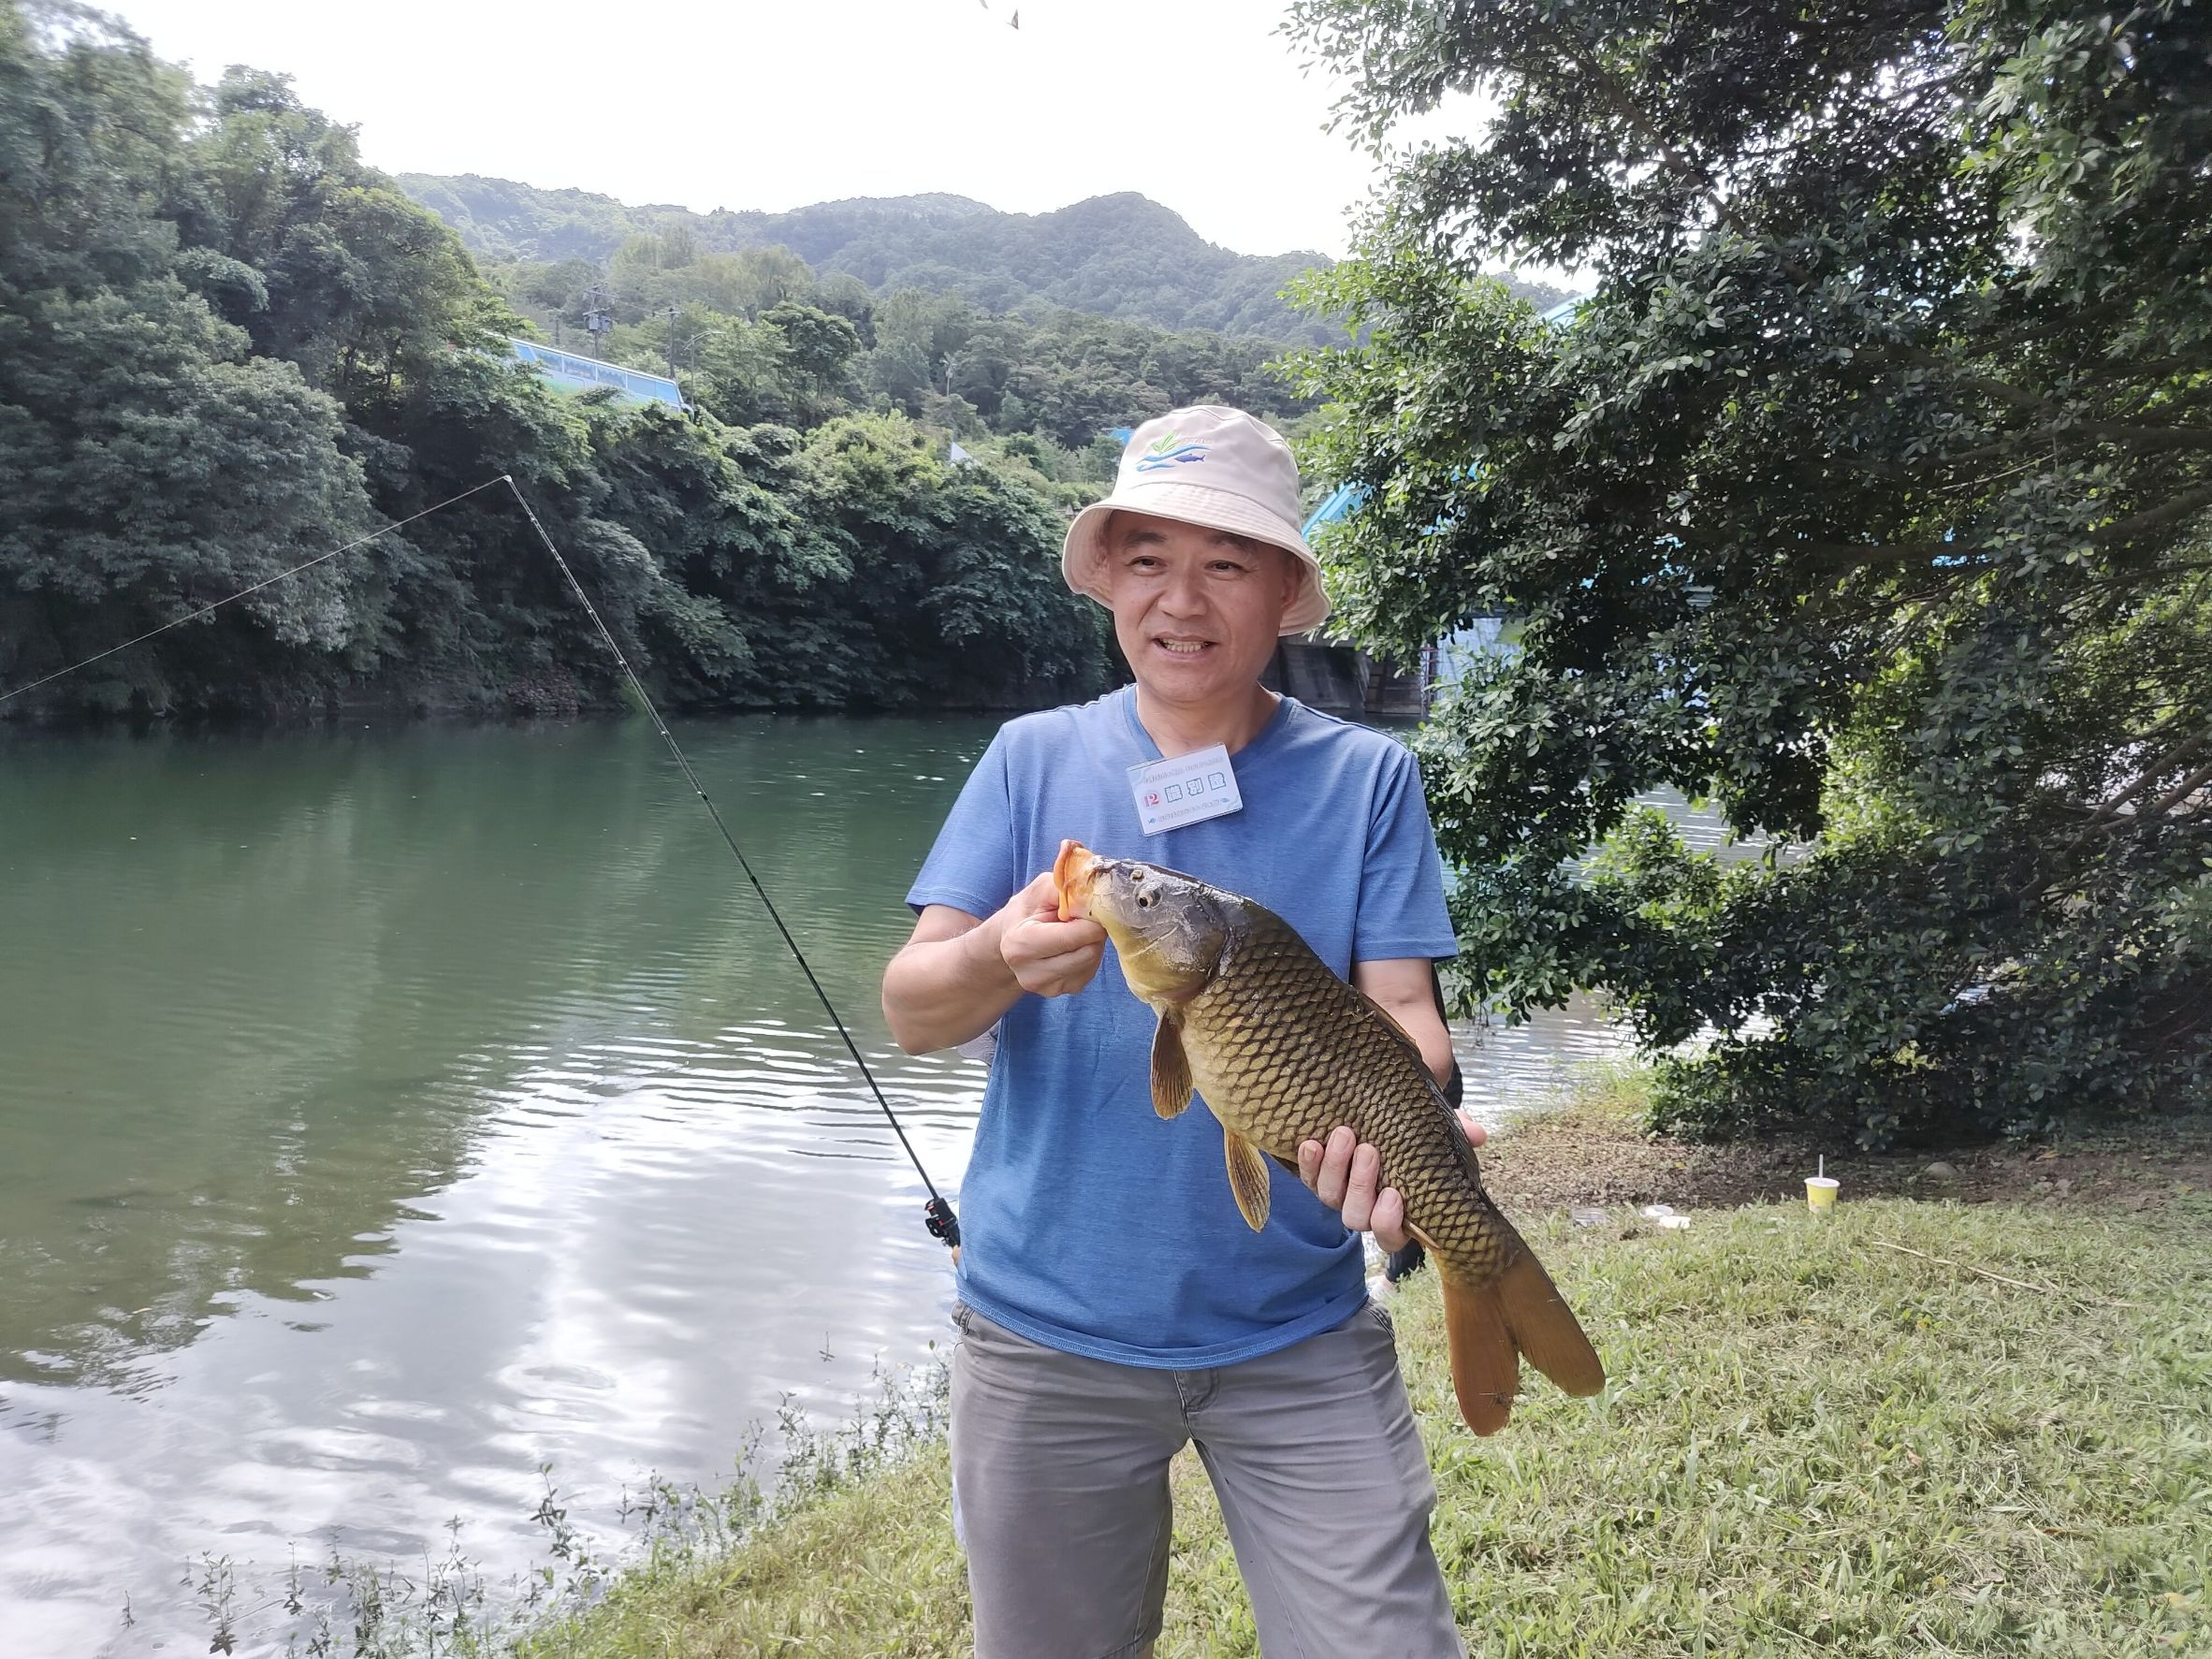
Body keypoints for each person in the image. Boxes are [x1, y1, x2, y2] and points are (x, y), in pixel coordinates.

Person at [880, 404, 1478, 1658]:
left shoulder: (1369, 778)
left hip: (1299, 1324)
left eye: (1226, 564)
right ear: (1110, 580)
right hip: (1044, 1332)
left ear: (1285, 593)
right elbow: (912, 1004)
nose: (1182, 600)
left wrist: (1412, 1122)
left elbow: (1406, 1014)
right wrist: (995, 954)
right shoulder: (1029, 759)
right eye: (1149, 559)